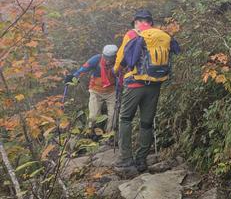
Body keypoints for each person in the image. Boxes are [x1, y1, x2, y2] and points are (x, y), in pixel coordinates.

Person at [113, 10, 180, 172]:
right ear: (150, 22)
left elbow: (121, 58)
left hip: (135, 83)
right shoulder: (162, 35)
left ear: (136, 22)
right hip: (155, 85)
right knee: (146, 122)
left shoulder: (132, 34)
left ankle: (126, 159)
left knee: (126, 119)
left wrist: (116, 71)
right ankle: (141, 160)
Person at [64, 44, 119, 137]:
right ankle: (92, 134)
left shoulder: (118, 62)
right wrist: (73, 77)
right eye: (106, 58)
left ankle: (109, 135)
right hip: (95, 91)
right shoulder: (96, 59)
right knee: (93, 115)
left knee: (113, 115)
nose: (108, 60)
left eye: (111, 58)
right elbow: (84, 69)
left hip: (112, 92)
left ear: (115, 57)